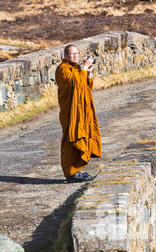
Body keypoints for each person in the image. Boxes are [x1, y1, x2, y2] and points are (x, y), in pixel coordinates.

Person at [55, 44, 101, 182]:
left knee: (82, 136)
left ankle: (76, 170)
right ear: (65, 55)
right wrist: (84, 68)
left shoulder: (76, 68)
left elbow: (86, 87)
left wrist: (88, 73)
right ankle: (70, 172)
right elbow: (74, 84)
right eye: (71, 54)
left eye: (76, 54)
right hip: (71, 111)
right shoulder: (62, 69)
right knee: (71, 138)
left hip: (82, 111)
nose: (75, 56)